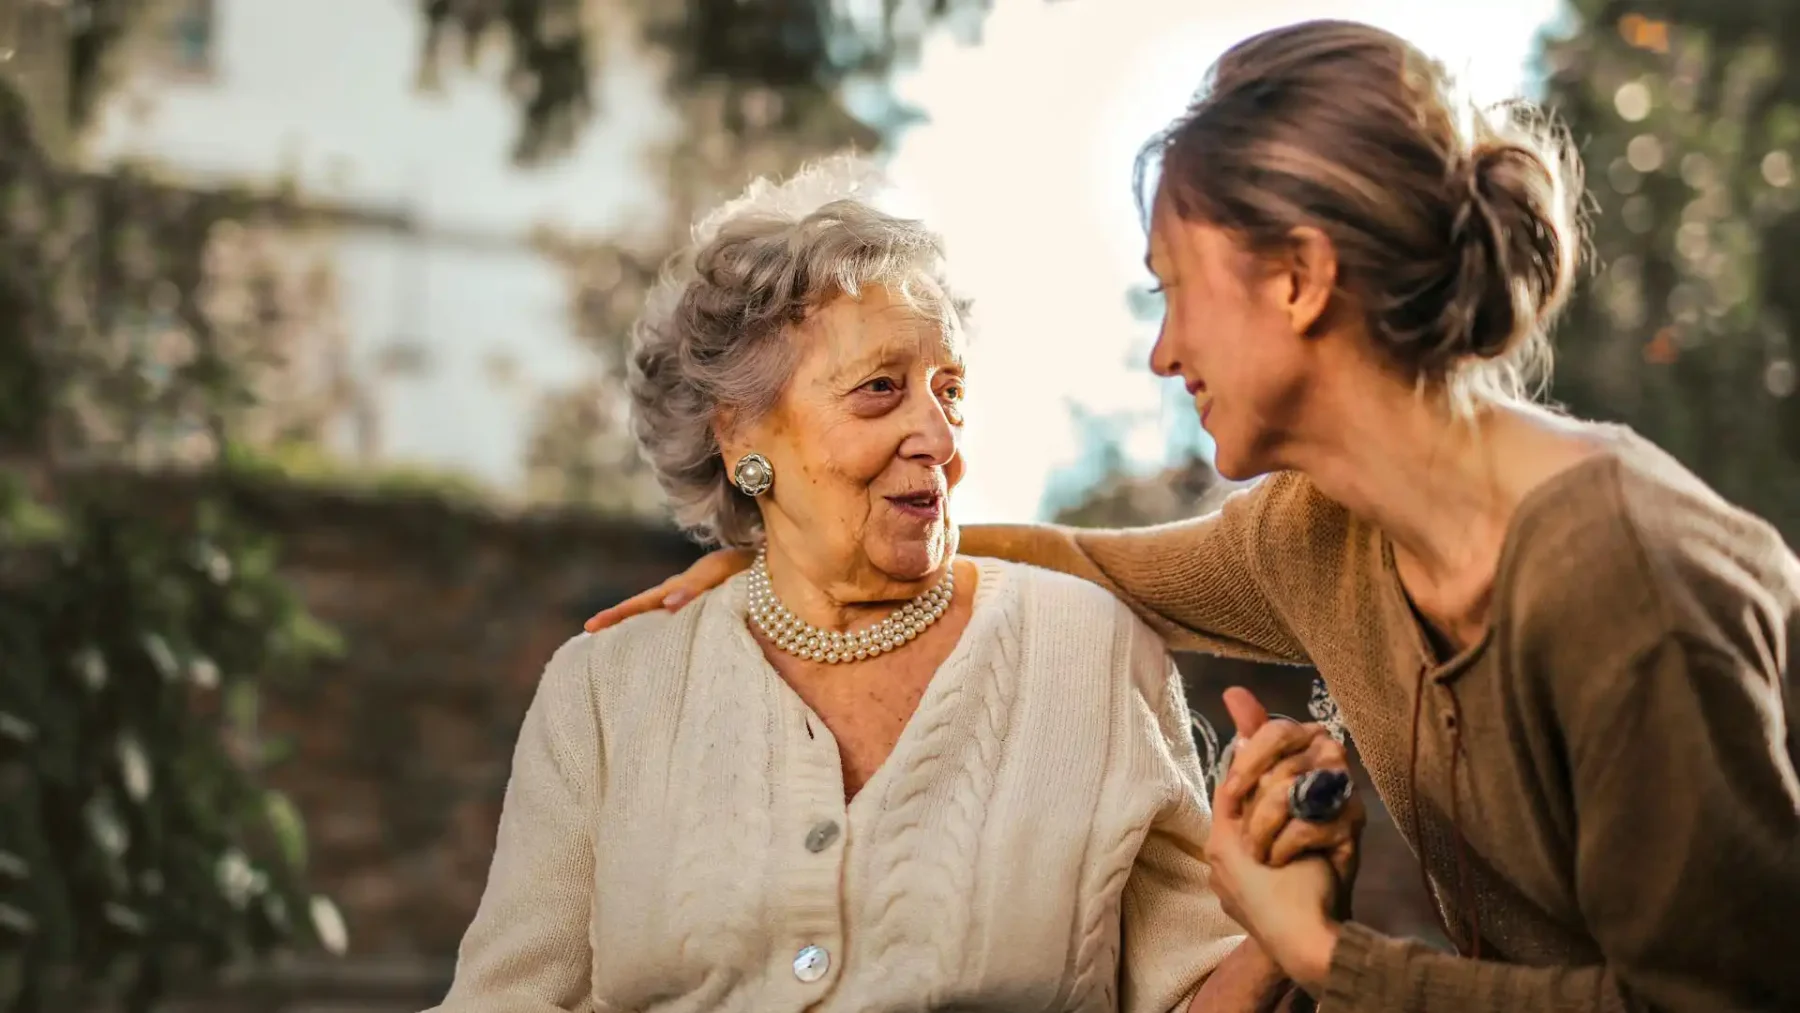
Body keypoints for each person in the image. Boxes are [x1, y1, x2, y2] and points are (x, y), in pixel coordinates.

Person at [585, 19, 1800, 1013]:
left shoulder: (1622, 579)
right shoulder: (1320, 534)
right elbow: (1082, 562)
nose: (1163, 352)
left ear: (1299, 277)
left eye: (1175, 292)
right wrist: (791, 556)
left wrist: (1327, 957)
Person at [429, 158, 1350, 1013]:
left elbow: (1191, 990)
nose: (941, 440)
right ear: (742, 436)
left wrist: (1276, 942)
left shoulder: (1089, 652)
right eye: (880, 389)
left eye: (949, 389)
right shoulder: (607, 689)